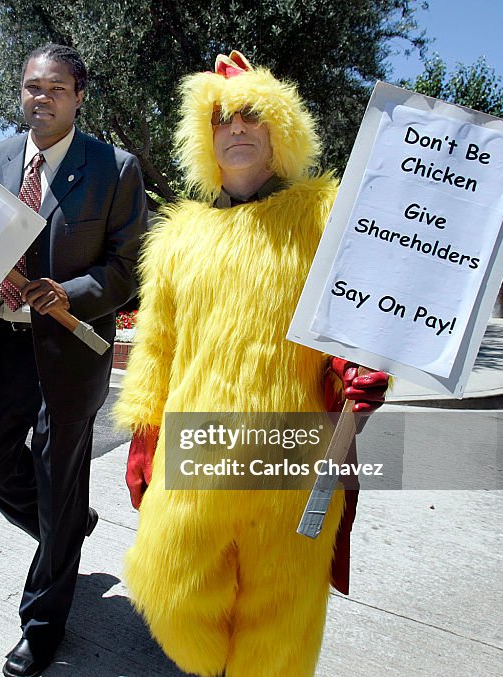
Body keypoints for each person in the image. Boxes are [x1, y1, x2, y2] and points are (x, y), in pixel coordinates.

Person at [114, 50, 389, 676]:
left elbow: (365, 321)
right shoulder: (178, 236)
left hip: (291, 460)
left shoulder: (325, 217)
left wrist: (362, 374)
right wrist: (143, 441)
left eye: (250, 114)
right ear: (202, 135)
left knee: (278, 632)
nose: (235, 128)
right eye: (220, 117)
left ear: (281, 129)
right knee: (173, 599)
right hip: (194, 453)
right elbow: (157, 347)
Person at [0, 44, 148, 677]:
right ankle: (67, 528)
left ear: (79, 96)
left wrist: (70, 293)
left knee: (54, 478)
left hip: (69, 352)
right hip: (0, 344)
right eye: (30, 87)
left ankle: (42, 624)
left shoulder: (114, 167)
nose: (39, 98)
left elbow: (128, 267)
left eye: (53, 88)